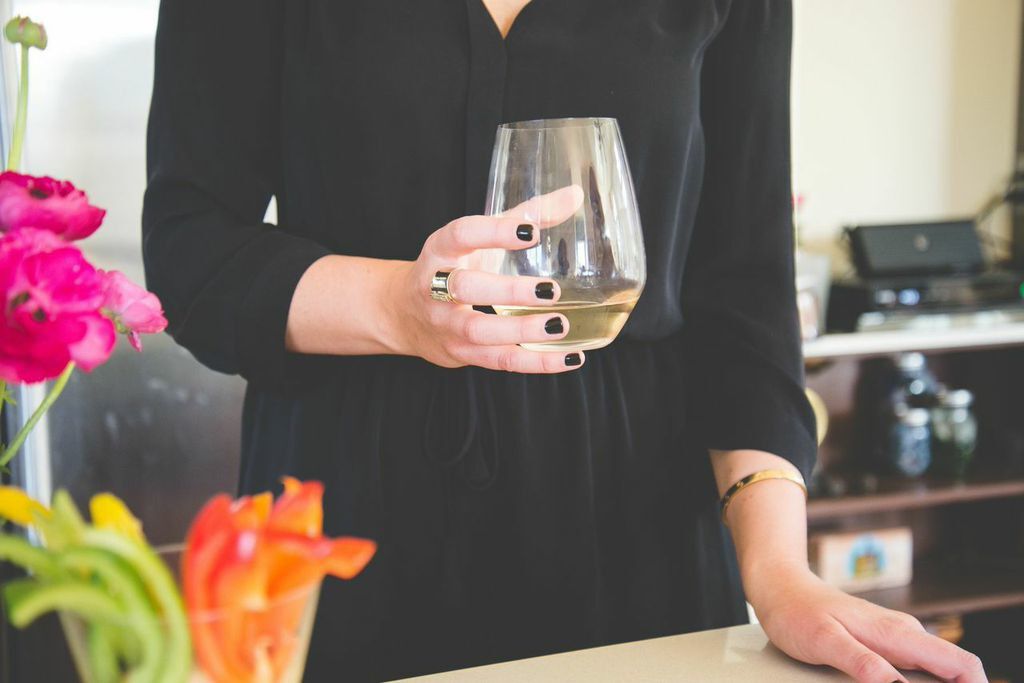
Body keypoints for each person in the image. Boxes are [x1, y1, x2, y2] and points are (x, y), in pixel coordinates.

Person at [143, 1, 986, 681]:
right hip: (343, 516)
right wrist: (398, 306)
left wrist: (778, 573)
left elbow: (744, 293)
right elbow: (190, 249)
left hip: (638, 529)